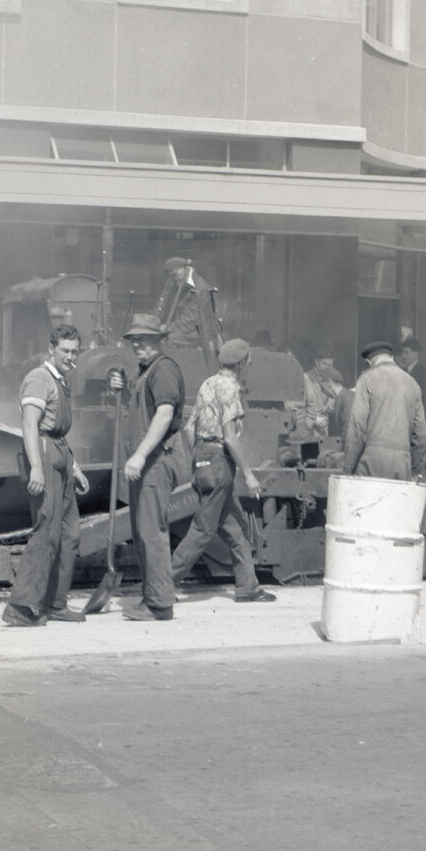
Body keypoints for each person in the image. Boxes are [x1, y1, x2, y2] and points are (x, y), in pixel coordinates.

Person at [170, 338, 274, 602]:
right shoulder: (229, 388)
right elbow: (230, 437)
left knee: (235, 528)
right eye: (248, 361)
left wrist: (199, 462)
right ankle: (164, 583)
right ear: (241, 363)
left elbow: (189, 428)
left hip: (205, 459)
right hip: (219, 461)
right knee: (203, 529)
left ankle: (248, 586)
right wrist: (249, 474)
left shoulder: (207, 383)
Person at [3, 324, 90, 627]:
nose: (70, 356)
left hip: (60, 454)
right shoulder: (39, 378)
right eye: (65, 350)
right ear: (51, 348)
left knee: (70, 534)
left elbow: (60, 433)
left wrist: (74, 467)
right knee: (47, 532)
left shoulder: (60, 381)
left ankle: (56, 603)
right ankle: (22, 608)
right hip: (42, 452)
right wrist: (36, 467)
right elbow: (30, 425)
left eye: (74, 351)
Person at [116, 313, 187, 621]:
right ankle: (153, 597)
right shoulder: (146, 371)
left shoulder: (165, 369)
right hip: (148, 463)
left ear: (159, 340)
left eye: (143, 340)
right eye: (134, 341)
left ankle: (159, 604)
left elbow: (164, 414)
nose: (137, 346)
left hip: (156, 461)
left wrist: (140, 455)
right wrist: (120, 383)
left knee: (151, 532)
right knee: (144, 532)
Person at [343, 340, 426, 479]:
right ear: (391, 358)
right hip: (402, 463)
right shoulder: (412, 383)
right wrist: (416, 470)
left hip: (371, 462)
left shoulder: (367, 379)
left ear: (370, 362)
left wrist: (348, 467)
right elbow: (421, 434)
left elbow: (357, 426)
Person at [155, 255, 222, 364]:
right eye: (171, 276)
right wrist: (154, 321)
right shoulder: (176, 281)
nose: (173, 279)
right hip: (183, 328)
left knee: (167, 340)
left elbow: (190, 321)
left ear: (185, 269)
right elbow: (164, 302)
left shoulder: (199, 288)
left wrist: (166, 328)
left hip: (200, 333)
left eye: (175, 274)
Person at [397, 336, 426, 434]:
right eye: (402, 353)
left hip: (416, 427)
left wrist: (423, 427)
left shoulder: (424, 374)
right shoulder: (401, 373)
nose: (403, 356)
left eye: (406, 353)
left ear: (416, 353)